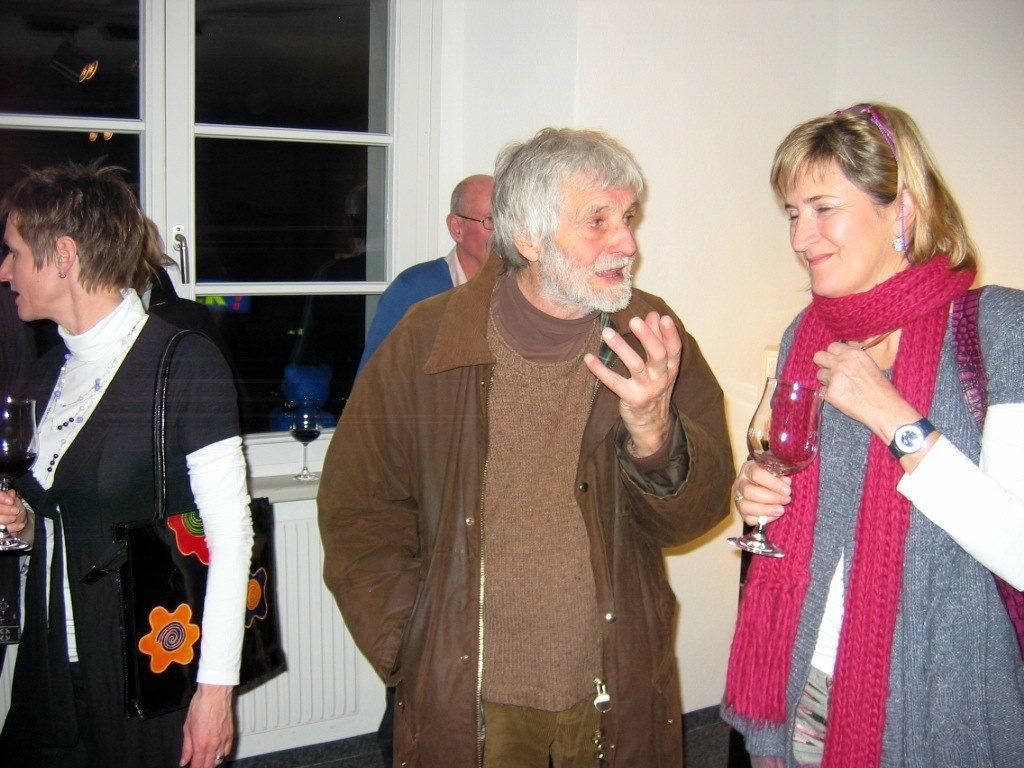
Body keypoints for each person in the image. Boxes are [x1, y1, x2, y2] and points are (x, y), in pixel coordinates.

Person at [318, 127, 733, 767]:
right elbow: (358, 507)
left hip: (612, 678)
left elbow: (694, 516)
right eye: (598, 220)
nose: (627, 243)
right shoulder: (427, 340)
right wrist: (410, 641)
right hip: (471, 692)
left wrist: (654, 433)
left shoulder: (650, 336)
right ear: (530, 239)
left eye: (627, 218)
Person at [722, 103, 1024, 768]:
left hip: (943, 704)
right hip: (805, 684)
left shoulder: (1001, 330)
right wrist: (758, 493)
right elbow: (801, 489)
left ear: (902, 211)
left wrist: (896, 419)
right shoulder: (808, 333)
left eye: (822, 208)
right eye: (792, 213)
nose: (800, 237)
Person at [0, 161, 254, 768]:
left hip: (144, 668)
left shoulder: (183, 363)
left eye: (13, 253)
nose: (4, 271)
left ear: (63, 255)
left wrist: (215, 692)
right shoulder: (49, 371)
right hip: (52, 661)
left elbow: (229, 535)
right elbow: (67, 513)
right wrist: (24, 525)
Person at [357, 173, 494, 370]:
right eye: (491, 220)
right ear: (457, 228)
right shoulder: (413, 290)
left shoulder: (521, 289)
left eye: (509, 220)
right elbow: (374, 381)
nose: (504, 232)